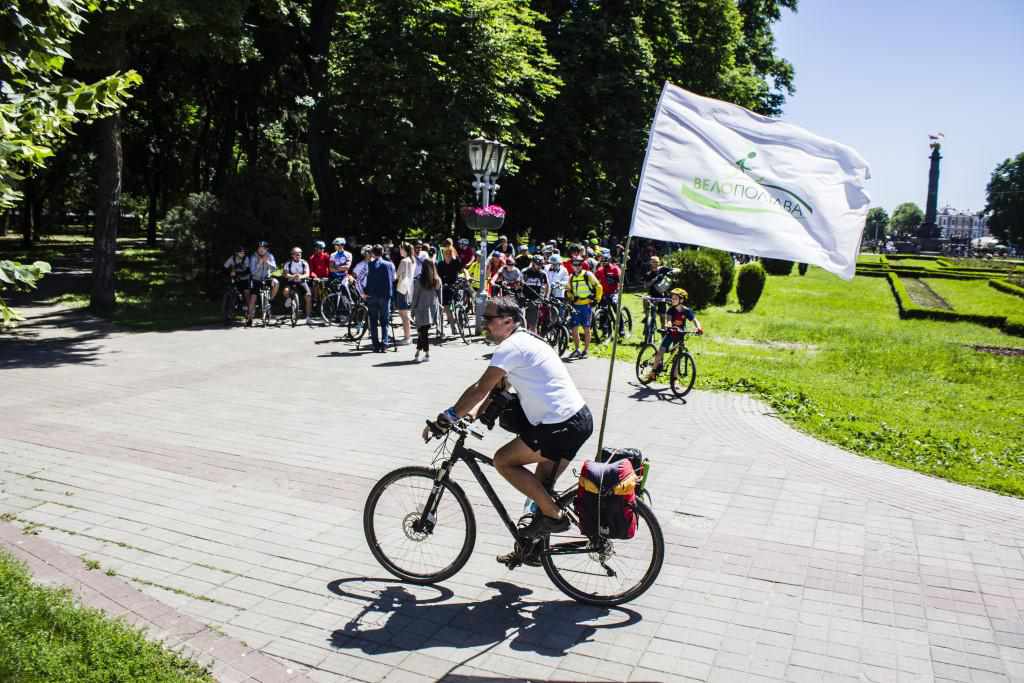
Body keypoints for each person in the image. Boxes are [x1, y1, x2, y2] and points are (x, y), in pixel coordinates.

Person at [427, 296, 593, 555]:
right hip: (577, 420)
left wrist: (446, 418)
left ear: (508, 321)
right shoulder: (528, 340)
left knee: (503, 461)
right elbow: (496, 390)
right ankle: (534, 551)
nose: (484, 324)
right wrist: (471, 416)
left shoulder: (510, 347)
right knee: (540, 491)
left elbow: (480, 387)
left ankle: (556, 517)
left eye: (489, 319)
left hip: (559, 426)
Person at [644, 288, 703, 381]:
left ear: (681, 300)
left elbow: (695, 320)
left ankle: (674, 379)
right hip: (670, 333)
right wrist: (668, 325)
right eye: (672, 298)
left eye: (675, 298)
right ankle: (653, 372)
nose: (672, 300)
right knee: (660, 352)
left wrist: (698, 328)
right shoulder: (671, 310)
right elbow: (668, 320)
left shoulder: (686, 311)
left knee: (677, 357)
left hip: (680, 334)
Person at [566, 257, 602, 358]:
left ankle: (585, 350)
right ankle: (577, 349)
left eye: (578, 265)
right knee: (574, 328)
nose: (576, 267)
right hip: (576, 305)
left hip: (586, 305)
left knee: (586, 328)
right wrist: (571, 297)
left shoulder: (588, 274)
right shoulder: (571, 277)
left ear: (581, 266)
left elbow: (598, 286)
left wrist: (596, 300)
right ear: (572, 266)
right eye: (574, 265)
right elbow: (568, 290)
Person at [363, 245, 395, 352]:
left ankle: (376, 345)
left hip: (373, 295)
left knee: (373, 320)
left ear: (373, 253)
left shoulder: (370, 264)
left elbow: (368, 280)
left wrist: (366, 292)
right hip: (385, 295)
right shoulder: (389, 264)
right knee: (384, 320)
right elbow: (393, 279)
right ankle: (385, 344)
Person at [412, 258, 443, 362]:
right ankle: (417, 352)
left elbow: (415, 296)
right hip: (433, 307)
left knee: (422, 331)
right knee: (423, 331)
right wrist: (440, 306)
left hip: (421, 307)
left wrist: (412, 310)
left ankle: (427, 353)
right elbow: (440, 294)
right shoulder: (437, 280)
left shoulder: (419, 280)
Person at [246, 241, 278, 326]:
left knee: (276, 282)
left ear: (266, 249)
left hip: (266, 278)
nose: (261, 250)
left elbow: (274, 268)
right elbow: (252, 272)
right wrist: (259, 264)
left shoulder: (270, 256)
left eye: (263, 248)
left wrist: (268, 263)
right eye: (259, 248)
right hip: (256, 279)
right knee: (253, 298)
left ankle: (270, 300)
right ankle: (249, 318)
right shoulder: (253, 257)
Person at [438, 241, 465, 333]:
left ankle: (461, 322)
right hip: (445, 287)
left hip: (455, 285)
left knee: (459, 305)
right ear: (444, 254)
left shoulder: (455, 262)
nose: (448, 255)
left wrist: (456, 257)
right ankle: (453, 327)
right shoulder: (441, 264)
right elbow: (438, 277)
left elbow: (462, 269)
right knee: (446, 307)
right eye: (446, 253)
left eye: (450, 253)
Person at [643, 255, 676, 328]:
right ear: (650, 263)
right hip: (652, 295)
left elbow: (673, 270)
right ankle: (646, 317)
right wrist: (654, 279)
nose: (655, 264)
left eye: (656, 262)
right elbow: (645, 286)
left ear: (659, 262)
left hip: (662, 296)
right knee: (645, 298)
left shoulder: (663, 269)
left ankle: (663, 332)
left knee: (662, 316)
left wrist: (673, 271)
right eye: (653, 262)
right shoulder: (648, 274)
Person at [282, 246, 313, 324]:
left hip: (301, 281)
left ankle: (308, 317)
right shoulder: (288, 263)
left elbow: (307, 274)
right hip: (291, 281)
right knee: (286, 291)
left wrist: (300, 276)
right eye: (296, 254)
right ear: (292, 255)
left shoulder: (304, 263)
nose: (298, 255)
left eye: (299, 254)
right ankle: (289, 298)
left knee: (308, 296)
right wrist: (293, 276)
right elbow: (285, 274)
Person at [521, 255, 549, 332]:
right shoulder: (525, 272)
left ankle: (533, 340)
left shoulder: (543, 274)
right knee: (523, 324)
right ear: (533, 263)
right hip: (524, 299)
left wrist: (546, 297)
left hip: (535, 301)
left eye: (541, 264)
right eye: (538, 264)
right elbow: (519, 285)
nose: (540, 266)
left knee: (533, 325)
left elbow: (547, 285)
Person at [395, 242, 416, 344]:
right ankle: (407, 336)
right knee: (405, 313)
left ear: (405, 250)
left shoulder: (404, 261)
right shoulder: (412, 260)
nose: (400, 251)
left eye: (401, 249)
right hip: (409, 289)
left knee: (403, 314)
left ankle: (407, 337)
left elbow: (397, 275)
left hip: (402, 288)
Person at [223, 246, 252, 320]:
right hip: (235, 279)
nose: (243, 254)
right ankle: (230, 310)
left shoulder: (246, 259)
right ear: (236, 253)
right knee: (232, 291)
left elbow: (248, 270)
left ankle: (249, 311)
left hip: (245, 279)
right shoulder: (232, 258)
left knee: (246, 293)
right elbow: (225, 267)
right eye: (241, 252)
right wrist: (229, 273)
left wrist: (239, 275)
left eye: (243, 252)